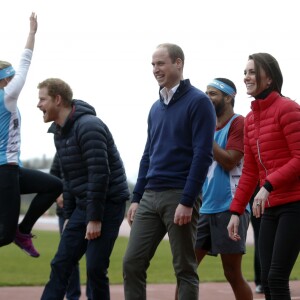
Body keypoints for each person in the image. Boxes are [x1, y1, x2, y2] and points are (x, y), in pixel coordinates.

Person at [122, 43, 216, 300]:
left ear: (178, 63)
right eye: (153, 64)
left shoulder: (199, 102)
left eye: (160, 63)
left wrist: (187, 200)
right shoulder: (155, 107)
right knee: (132, 263)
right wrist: (136, 197)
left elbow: (203, 155)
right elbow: (147, 156)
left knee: (184, 268)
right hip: (150, 196)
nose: (155, 69)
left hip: (180, 195)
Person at [37, 78, 130, 300]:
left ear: (57, 99)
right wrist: (70, 215)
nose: (38, 105)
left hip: (107, 205)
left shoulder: (89, 126)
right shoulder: (60, 132)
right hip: (82, 206)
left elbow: (99, 174)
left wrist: (94, 218)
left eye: (42, 99)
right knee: (61, 263)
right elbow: (68, 178)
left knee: (95, 269)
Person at [227, 53, 300, 300]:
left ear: (268, 78)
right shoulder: (249, 121)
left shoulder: (288, 109)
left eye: (251, 72)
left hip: (295, 205)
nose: (246, 77)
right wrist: (236, 212)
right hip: (269, 208)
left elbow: (299, 158)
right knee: (267, 281)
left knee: (277, 278)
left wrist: (268, 184)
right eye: (245, 72)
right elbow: (249, 171)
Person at [178, 78, 252, 300]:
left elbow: (230, 160)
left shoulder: (239, 123)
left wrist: (204, 137)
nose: (207, 98)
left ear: (229, 97)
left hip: (230, 208)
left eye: (213, 94)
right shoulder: (206, 125)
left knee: (231, 273)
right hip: (204, 208)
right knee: (185, 271)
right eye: (206, 93)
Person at [0, 12, 62, 258]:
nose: (16, 80)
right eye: (12, 77)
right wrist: (32, 33)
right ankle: (16, 233)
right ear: (6, 79)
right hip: (4, 170)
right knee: (3, 235)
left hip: (12, 169)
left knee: (54, 185)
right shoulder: (7, 97)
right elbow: (25, 63)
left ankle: (23, 231)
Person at [50, 153, 83, 300]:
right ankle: (72, 296)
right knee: (68, 257)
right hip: (65, 212)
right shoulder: (61, 151)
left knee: (95, 261)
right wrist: (58, 195)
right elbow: (52, 177)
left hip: (88, 209)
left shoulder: (90, 146)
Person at [249, 184, 263, 294]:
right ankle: (262, 281)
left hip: (256, 194)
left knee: (260, 238)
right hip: (257, 196)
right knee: (260, 239)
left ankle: (261, 282)